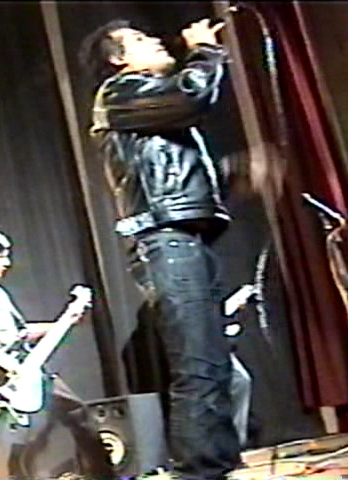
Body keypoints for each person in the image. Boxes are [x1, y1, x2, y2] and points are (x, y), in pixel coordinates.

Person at [79, 17, 242, 479]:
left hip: (183, 238)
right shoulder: (121, 92)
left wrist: (234, 173)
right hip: (167, 241)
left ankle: (216, 466)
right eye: (138, 40)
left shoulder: (147, 107)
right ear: (118, 60)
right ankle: (200, 472)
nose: (154, 41)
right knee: (199, 365)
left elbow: (169, 174)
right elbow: (192, 95)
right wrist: (204, 51)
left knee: (214, 365)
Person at [0, 227, 115, 480]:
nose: (7, 263)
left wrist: (63, 323)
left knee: (79, 415)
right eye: (1, 257)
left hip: (28, 367)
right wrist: (3, 360)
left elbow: (21, 333)